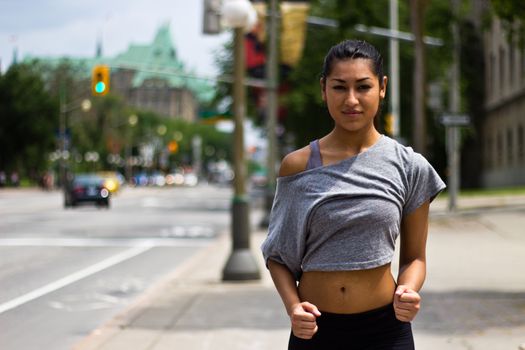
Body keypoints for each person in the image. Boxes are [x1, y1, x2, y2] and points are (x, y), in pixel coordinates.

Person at [261, 39, 446, 349]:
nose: (351, 100)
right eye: (339, 87)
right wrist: (293, 307)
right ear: (323, 89)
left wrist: (409, 290)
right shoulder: (298, 166)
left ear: (382, 87)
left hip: (386, 332)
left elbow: (414, 258)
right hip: (316, 331)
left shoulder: (410, 166)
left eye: (363, 87)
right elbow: (277, 255)